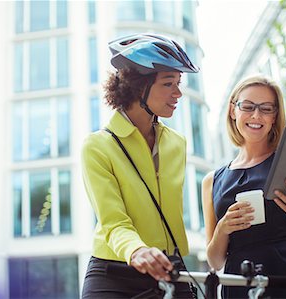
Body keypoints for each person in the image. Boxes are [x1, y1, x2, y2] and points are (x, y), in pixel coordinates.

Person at [81, 33, 199, 298]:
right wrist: (137, 250)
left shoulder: (176, 144)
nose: (178, 93)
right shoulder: (97, 147)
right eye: (169, 83)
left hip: (169, 268)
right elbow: (113, 222)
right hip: (115, 274)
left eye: (179, 83)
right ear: (137, 87)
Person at [201, 74, 286, 298]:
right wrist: (223, 228)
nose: (256, 115)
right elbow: (214, 261)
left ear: (275, 115)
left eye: (266, 108)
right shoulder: (212, 180)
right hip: (240, 282)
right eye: (248, 106)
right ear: (233, 110)